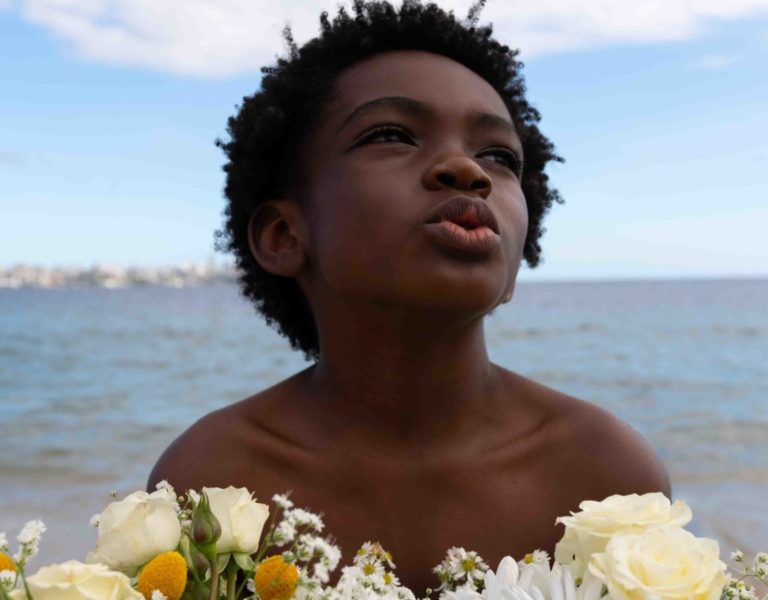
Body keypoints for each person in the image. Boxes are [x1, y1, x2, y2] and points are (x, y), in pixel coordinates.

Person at [148, 0, 670, 593]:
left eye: (499, 157)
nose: (466, 170)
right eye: (392, 135)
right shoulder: (212, 482)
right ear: (285, 236)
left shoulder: (607, 476)